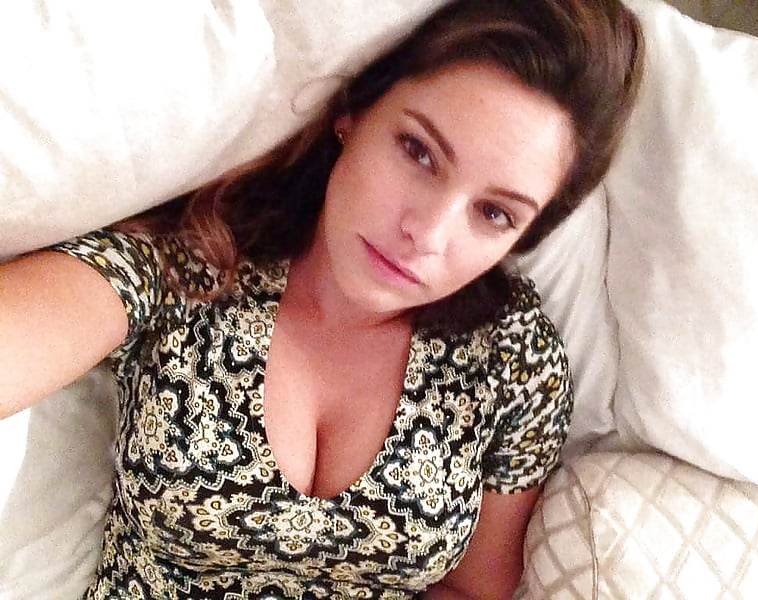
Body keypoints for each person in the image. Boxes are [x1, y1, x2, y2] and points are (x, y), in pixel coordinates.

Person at [0, 0, 643, 598]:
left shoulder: (514, 356)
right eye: (418, 152)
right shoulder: (190, 263)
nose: (426, 234)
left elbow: (473, 589)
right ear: (353, 115)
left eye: (495, 213)